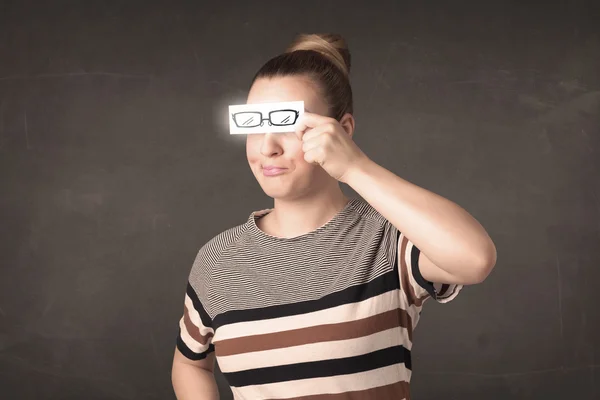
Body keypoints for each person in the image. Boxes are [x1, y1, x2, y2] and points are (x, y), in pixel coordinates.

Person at [171, 33, 497, 400]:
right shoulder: (218, 260)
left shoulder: (390, 239)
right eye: (254, 126)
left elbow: (475, 259)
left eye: (287, 124)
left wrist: (355, 166)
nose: (267, 147)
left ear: (342, 130)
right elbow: (190, 363)